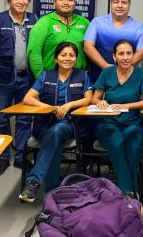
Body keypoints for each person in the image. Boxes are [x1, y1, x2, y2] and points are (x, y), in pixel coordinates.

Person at [19, 42, 93, 202]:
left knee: (57, 131)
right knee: (55, 141)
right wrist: (50, 108)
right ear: (56, 58)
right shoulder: (46, 75)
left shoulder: (83, 75)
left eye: (72, 55)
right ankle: (51, 193)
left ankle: (33, 182)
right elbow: (28, 98)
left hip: (69, 124)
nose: (68, 58)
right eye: (63, 55)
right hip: (44, 124)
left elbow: (88, 99)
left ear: (76, 58)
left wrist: (69, 105)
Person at [0, 0, 38, 176]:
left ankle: (22, 158)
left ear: (28, 1)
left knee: (24, 120)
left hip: (26, 79)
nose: (21, 1)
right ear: (9, 1)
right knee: (0, 120)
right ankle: (2, 158)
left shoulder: (34, 20)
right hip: (2, 80)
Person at [91, 39, 143, 196]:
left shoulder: (141, 74)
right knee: (118, 143)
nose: (125, 57)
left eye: (129, 53)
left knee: (134, 148)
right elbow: (94, 99)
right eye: (121, 54)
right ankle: (130, 191)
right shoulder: (107, 72)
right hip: (108, 123)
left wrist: (127, 106)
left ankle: (127, 192)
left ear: (133, 55)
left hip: (132, 123)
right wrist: (101, 102)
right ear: (114, 57)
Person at [84, 0, 143, 82]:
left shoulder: (137, 27)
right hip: (98, 74)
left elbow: (141, 53)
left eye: (124, 2)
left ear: (129, 5)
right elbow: (88, 47)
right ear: (111, 4)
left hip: (126, 77)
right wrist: (105, 66)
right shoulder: (97, 22)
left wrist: (121, 69)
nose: (120, 5)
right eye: (116, 2)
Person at [27, 0, 89, 78]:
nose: (66, 2)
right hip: (51, 78)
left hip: (78, 79)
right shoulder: (44, 22)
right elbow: (34, 52)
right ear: (54, 3)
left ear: (74, 3)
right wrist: (41, 79)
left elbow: (90, 50)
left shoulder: (84, 22)